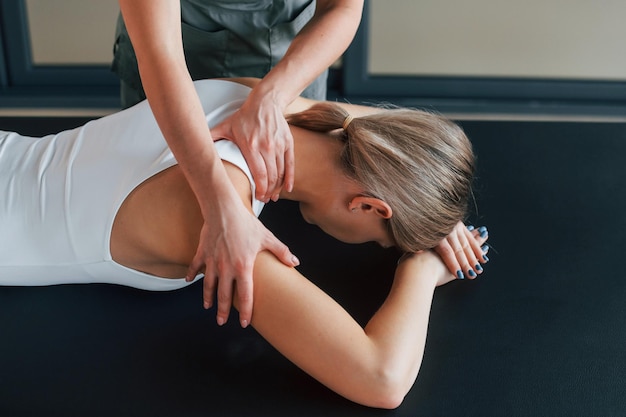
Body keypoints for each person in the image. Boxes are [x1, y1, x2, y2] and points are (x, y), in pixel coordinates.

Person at [0, 78, 488, 408]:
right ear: (370, 206)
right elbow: (382, 381)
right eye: (382, 241)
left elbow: (393, 131)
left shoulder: (253, 101)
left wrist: (426, 199)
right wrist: (420, 267)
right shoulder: (220, 227)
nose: (375, 248)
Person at [112, 0, 365, 328]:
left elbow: (342, 7)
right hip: (178, 63)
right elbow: (380, 377)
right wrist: (221, 206)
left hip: (296, 67)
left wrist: (421, 197)